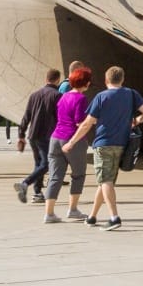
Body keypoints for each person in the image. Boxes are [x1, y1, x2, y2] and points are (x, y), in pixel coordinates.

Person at [65, 66, 143, 230]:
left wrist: (71, 142)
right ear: (122, 79)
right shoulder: (131, 94)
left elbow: (86, 124)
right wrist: (136, 121)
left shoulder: (101, 97)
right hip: (122, 144)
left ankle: (114, 217)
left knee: (105, 180)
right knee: (106, 181)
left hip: (103, 144)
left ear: (106, 80)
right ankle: (92, 216)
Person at [43, 68, 95, 223]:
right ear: (86, 83)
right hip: (72, 140)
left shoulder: (63, 97)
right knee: (78, 175)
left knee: (55, 177)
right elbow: (80, 122)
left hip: (55, 138)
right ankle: (72, 209)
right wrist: (92, 121)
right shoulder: (80, 98)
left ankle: (49, 213)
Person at [15, 69, 63, 204]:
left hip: (33, 135)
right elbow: (59, 118)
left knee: (39, 164)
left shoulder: (34, 95)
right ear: (58, 80)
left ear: (46, 79)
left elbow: (26, 116)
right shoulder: (57, 95)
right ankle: (25, 183)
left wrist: (21, 134)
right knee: (47, 164)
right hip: (46, 135)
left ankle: (37, 193)